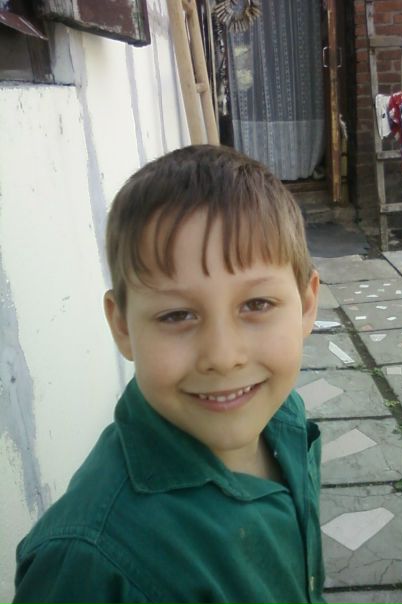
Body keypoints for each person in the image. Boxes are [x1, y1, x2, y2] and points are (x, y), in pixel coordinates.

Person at [13, 144, 325, 603]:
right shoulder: (90, 564)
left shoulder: (281, 413)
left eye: (257, 304)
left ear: (307, 305)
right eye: (177, 315)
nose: (223, 357)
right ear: (122, 326)